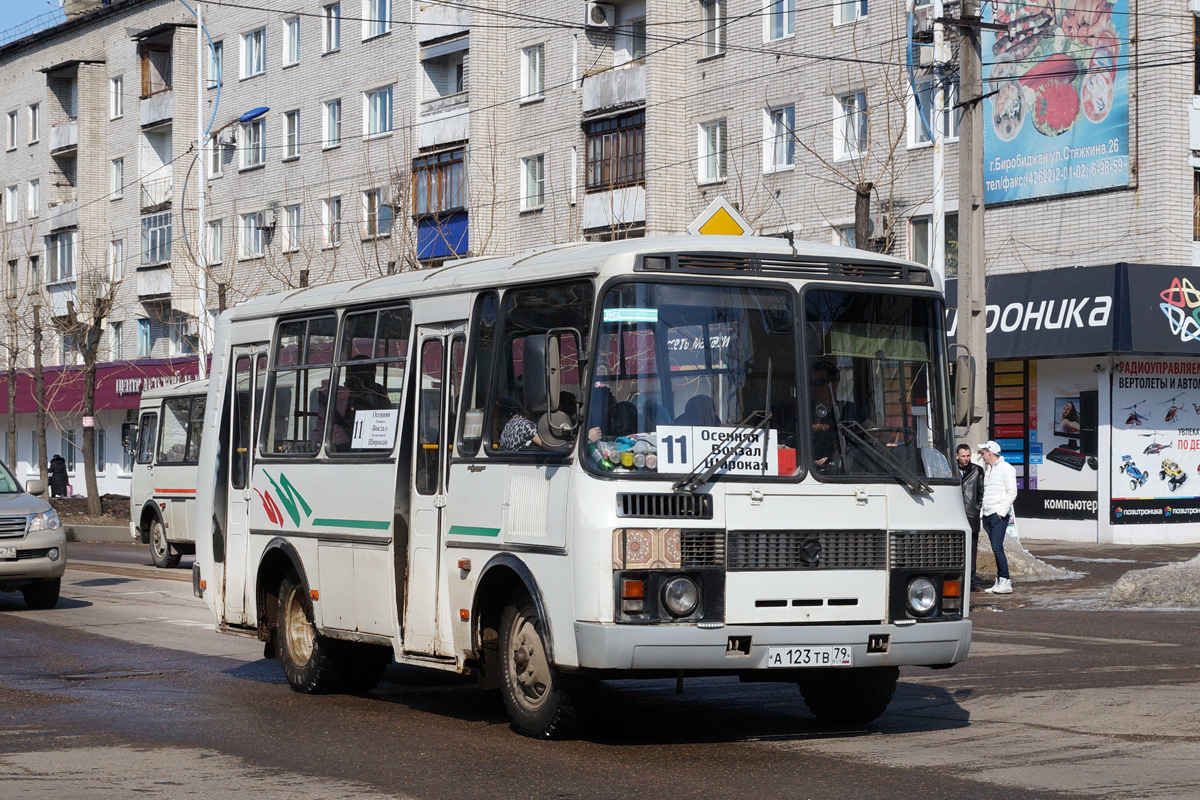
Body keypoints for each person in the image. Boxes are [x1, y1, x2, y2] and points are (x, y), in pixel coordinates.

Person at [978, 440, 1018, 595]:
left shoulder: (1007, 469)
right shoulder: (989, 470)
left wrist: (1001, 512)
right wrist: (983, 513)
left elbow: (1012, 492)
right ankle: (1000, 579)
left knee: (997, 547)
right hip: (987, 514)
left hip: (997, 515)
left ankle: (1005, 580)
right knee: (996, 548)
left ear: (990, 452)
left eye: (983, 452)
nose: (982, 455)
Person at [957, 444, 986, 592]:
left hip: (971, 513)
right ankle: (957, 580)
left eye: (968, 455)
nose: (966, 458)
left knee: (972, 549)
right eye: (963, 456)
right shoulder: (951, 470)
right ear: (957, 456)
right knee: (957, 549)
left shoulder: (977, 470)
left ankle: (971, 581)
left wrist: (977, 507)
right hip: (955, 514)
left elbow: (981, 491)